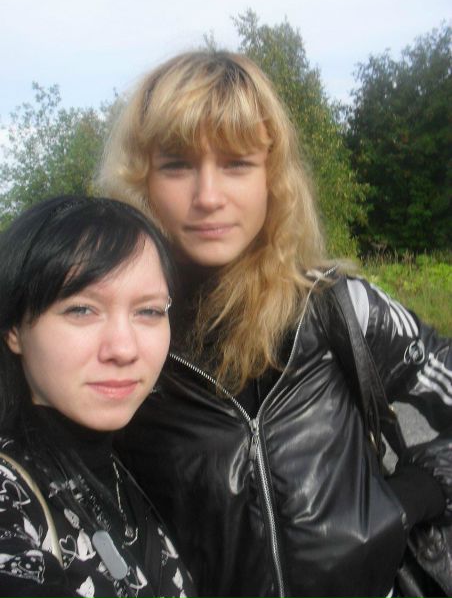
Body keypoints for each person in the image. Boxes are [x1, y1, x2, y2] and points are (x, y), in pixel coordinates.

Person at [98, 51, 452, 598]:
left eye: (237, 164)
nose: (208, 197)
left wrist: (411, 497)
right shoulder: (113, 341)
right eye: (177, 165)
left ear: (272, 177)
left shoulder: (338, 306)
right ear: (141, 179)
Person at [0, 195, 196, 597]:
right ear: (14, 329)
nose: (123, 349)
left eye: (149, 311)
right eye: (81, 310)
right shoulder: (11, 499)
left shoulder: (135, 468)